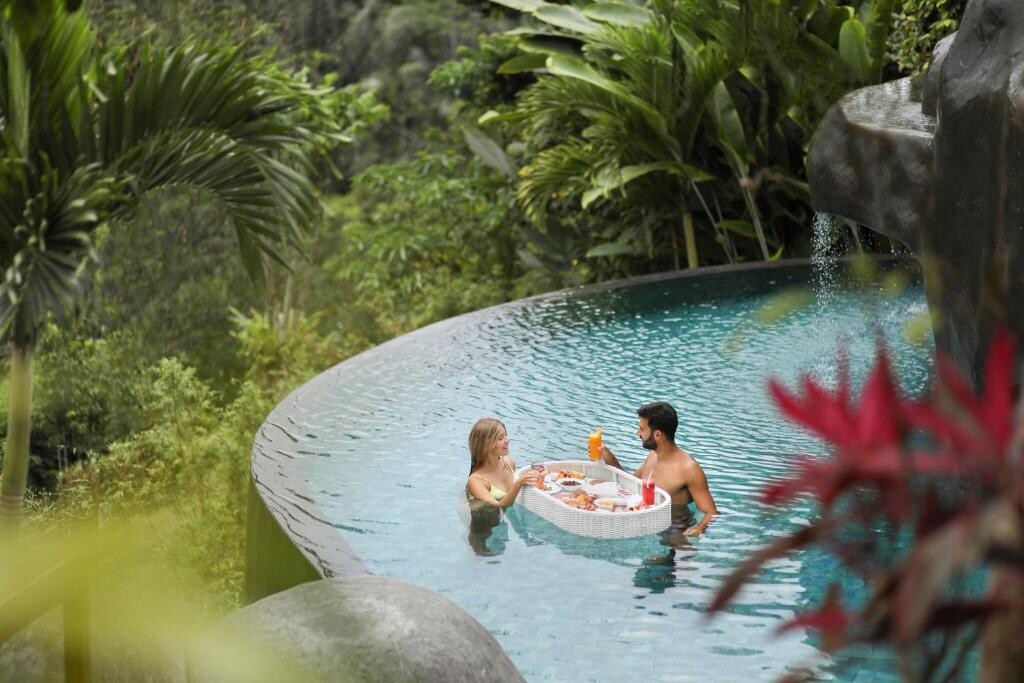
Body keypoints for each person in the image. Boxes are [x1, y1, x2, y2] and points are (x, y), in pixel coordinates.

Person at [600, 401, 718, 536]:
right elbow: (632, 484)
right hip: (647, 520)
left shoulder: (689, 469)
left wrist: (699, 529)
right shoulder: (652, 456)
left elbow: (711, 512)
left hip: (676, 530)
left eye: (642, 429)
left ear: (657, 435)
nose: (637, 433)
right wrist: (610, 459)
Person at [465, 417, 541, 508]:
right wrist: (519, 483)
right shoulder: (475, 481)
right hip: (482, 516)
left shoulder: (509, 463)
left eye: (505, 435)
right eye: (500, 438)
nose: (507, 440)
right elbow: (499, 505)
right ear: (486, 445)